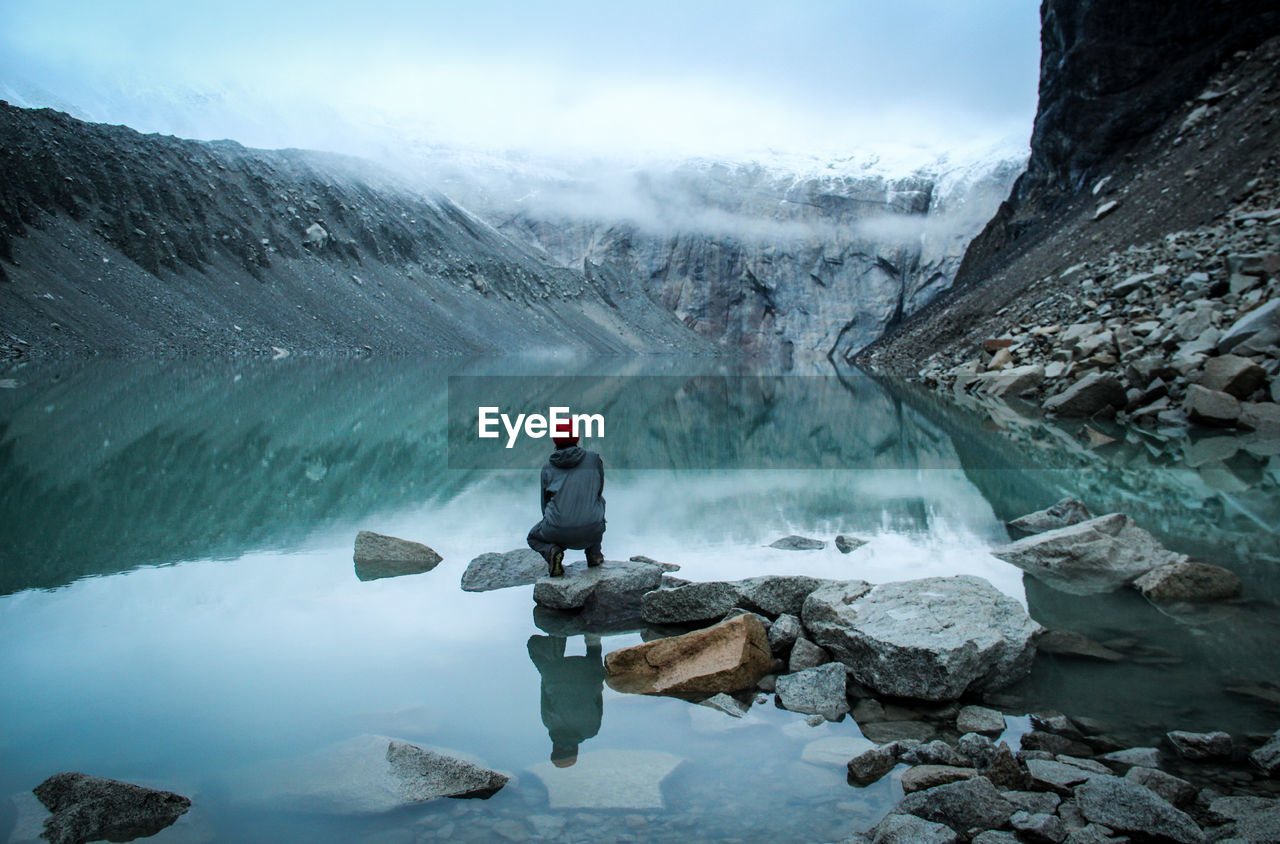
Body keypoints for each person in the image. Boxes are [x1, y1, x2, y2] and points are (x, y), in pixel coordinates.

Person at [527, 419, 605, 576]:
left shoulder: (548, 467)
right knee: (597, 502)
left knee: (533, 537)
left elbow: (545, 505)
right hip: (593, 531)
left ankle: (552, 552)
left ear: (555, 439)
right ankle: (594, 554)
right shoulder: (593, 459)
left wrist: (555, 526)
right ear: (576, 437)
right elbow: (598, 490)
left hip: (558, 533)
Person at [526, 633, 606, 767]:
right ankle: (557, 639)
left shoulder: (592, 730)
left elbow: (598, 697)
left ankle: (592, 638)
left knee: (594, 673)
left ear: (576, 750)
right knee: (534, 646)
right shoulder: (549, 722)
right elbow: (544, 688)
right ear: (554, 749)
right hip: (556, 672)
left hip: (589, 669)